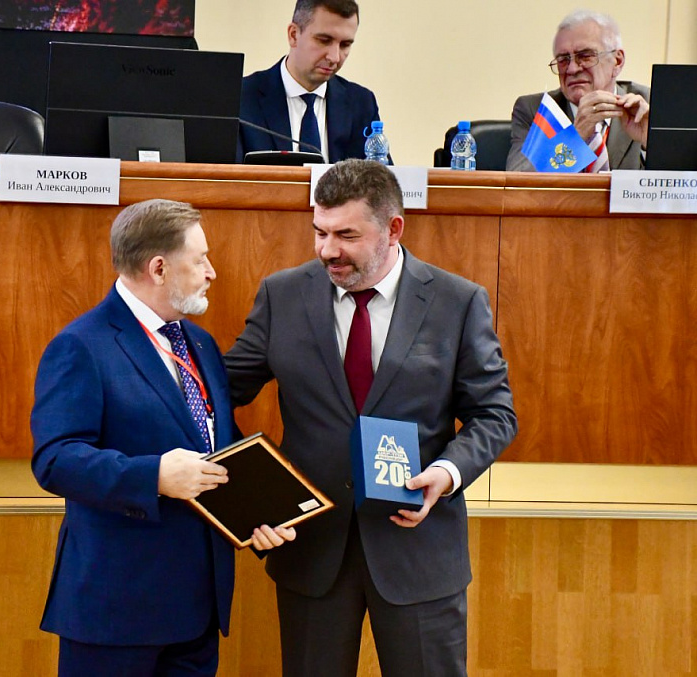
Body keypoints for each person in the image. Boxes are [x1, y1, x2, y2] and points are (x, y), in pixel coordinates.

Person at [224, 160, 517, 676]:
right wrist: (252, 492)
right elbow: (217, 393)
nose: (327, 250)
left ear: (393, 229)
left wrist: (447, 474)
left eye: (346, 235)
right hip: (312, 550)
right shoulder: (282, 295)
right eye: (320, 232)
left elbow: (494, 414)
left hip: (417, 551)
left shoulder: (457, 301)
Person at [31, 199, 294, 677]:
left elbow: (220, 448)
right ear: (158, 268)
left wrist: (260, 516)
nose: (212, 273)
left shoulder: (200, 344)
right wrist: (154, 476)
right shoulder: (81, 345)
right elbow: (56, 459)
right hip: (117, 611)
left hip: (196, 610)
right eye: (200, 260)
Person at [237, 0, 382, 163]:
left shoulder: (361, 104)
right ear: (293, 35)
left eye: (345, 45)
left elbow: (382, 176)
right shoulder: (240, 98)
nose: (334, 57)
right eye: (324, 40)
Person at [507, 9, 649, 171]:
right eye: (563, 60)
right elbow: (517, 180)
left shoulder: (649, 105)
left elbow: (672, 181)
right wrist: (575, 137)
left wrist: (651, 143)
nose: (572, 69)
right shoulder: (536, 110)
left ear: (617, 61)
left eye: (585, 56)